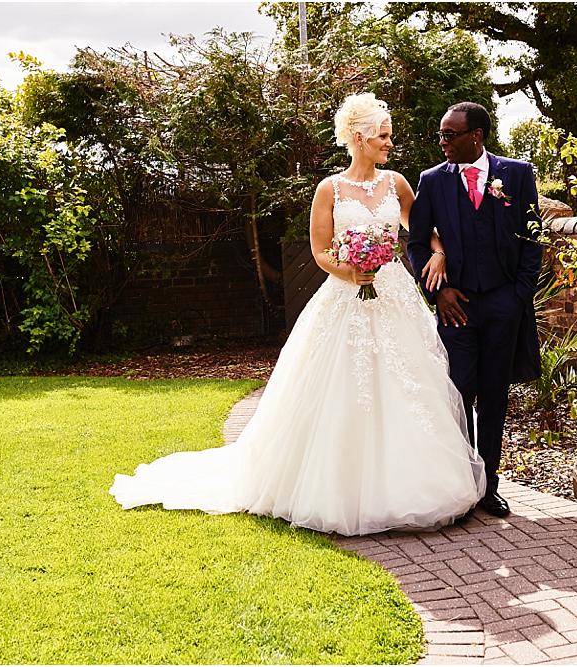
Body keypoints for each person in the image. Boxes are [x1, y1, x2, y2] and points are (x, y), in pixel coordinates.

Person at [110, 93, 485, 536]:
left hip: (394, 297)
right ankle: (337, 488)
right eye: (383, 136)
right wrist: (352, 271)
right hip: (346, 297)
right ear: (361, 138)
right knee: (343, 389)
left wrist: (438, 254)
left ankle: (418, 482)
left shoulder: (398, 184)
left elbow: (423, 231)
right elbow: (321, 251)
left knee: (408, 384)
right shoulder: (330, 189)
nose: (389, 143)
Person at [407, 102, 543, 519]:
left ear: (476, 136)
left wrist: (518, 296)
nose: (442, 142)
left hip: (504, 306)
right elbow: (415, 243)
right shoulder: (432, 181)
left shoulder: (517, 175)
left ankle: (490, 486)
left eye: (450, 135)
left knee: (495, 398)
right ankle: (462, 485)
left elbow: (532, 238)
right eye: (441, 136)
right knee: (459, 393)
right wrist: (440, 293)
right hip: (456, 310)